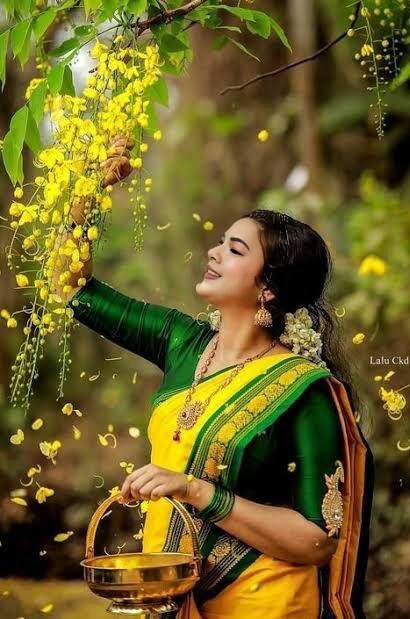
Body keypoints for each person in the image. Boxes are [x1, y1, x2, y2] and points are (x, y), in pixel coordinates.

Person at [59, 138, 374, 618]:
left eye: (234, 249)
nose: (214, 252)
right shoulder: (180, 341)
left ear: (268, 287)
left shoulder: (304, 390)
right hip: (177, 595)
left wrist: (196, 490)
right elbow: (73, 288)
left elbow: (317, 541)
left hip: (265, 602)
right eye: (221, 242)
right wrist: (88, 195)